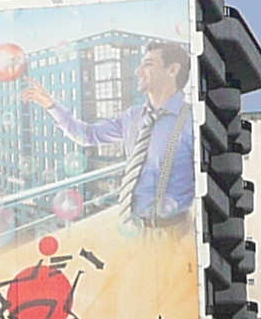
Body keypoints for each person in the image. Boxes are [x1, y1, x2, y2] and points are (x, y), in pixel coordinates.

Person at [26, 40, 195, 228]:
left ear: (172, 70)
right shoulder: (133, 116)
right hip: (133, 227)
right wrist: (51, 105)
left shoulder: (193, 121)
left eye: (148, 64)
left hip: (176, 229)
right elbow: (88, 135)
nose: (137, 71)